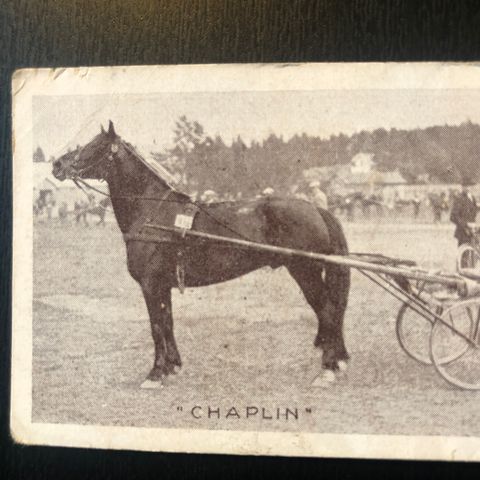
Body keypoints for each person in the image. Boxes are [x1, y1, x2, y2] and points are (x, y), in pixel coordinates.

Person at [450, 180, 478, 246]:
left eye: (471, 186)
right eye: (467, 186)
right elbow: (453, 216)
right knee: (464, 252)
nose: (469, 188)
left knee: (473, 252)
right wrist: (465, 224)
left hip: (472, 230)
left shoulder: (472, 197)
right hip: (463, 231)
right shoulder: (459, 198)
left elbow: (473, 209)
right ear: (463, 187)